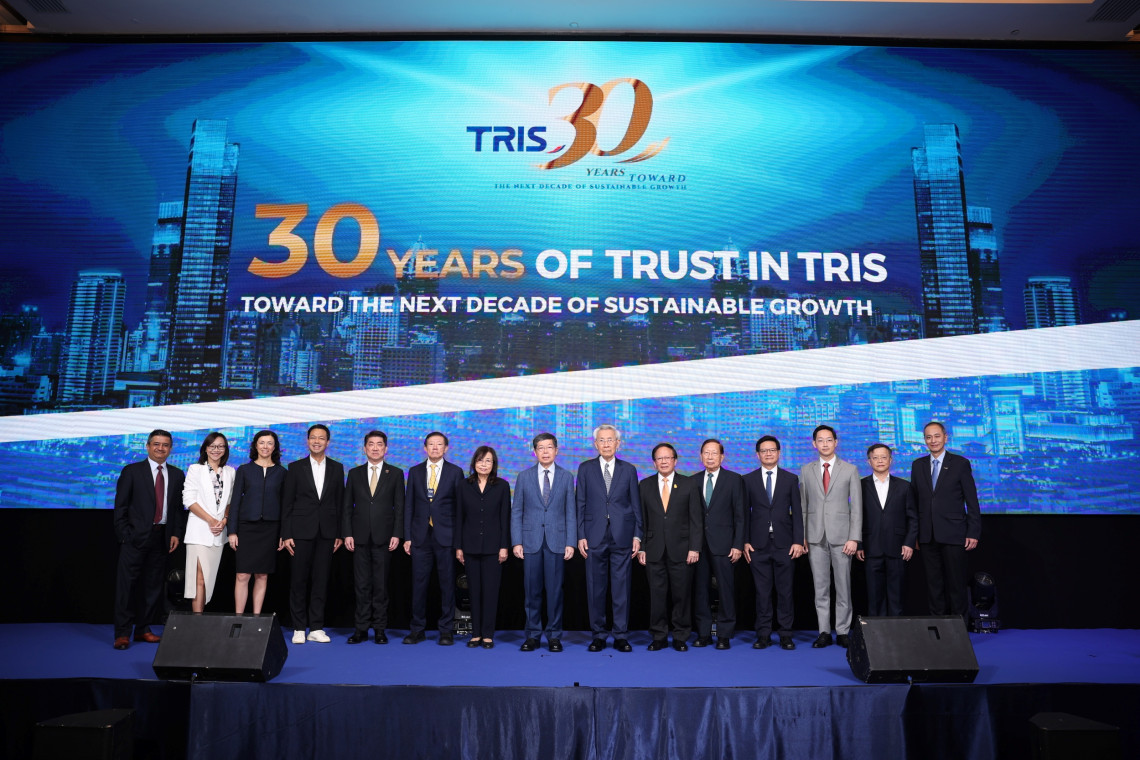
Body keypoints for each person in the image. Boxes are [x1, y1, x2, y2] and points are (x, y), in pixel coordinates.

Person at [112, 430, 186, 650]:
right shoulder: (132, 471)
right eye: (156, 444)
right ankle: (122, 633)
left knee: (153, 587)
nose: (160, 448)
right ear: (147, 446)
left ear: (170, 449)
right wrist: (125, 535)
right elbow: (120, 507)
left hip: (162, 538)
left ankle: (143, 629)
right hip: (134, 538)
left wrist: (175, 533)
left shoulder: (177, 474)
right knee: (127, 587)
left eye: (165, 445)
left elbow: (177, 509)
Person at [576, 424, 642, 653]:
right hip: (593, 536)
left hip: (622, 535)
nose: (606, 444)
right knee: (595, 589)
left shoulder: (629, 469)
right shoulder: (585, 468)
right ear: (595, 444)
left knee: (621, 589)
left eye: (610, 440)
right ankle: (599, 635)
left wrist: (637, 534)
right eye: (601, 440)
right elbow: (580, 503)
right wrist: (581, 535)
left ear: (618, 443)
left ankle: (621, 635)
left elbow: (636, 504)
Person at [511, 432, 576, 653]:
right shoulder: (524, 476)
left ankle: (554, 636)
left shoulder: (566, 476)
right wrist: (516, 541)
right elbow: (517, 511)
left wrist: (571, 542)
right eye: (541, 448)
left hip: (557, 541)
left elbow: (570, 512)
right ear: (535, 451)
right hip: (530, 542)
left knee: (555, 592)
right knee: (532, 592)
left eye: (549, 447)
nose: (545, 451)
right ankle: (532, 635)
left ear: (556, 451)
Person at [281, 424, 345, 644]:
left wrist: (339, 533)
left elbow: (340, 502)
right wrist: (286, 533)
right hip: (300, 531)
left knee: (321, 580)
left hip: (327, 533)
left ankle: (316, 627)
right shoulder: (295, 467)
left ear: (328, 442)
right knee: (298, 580)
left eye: (321, 438)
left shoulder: (337, 468)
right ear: (307, 441)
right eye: (313, 438)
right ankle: (299, 627)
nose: (317, 441)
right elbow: (287, 503)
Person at [800, 424, 862, 648]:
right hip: (815, 536)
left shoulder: (850, 469)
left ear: (836, 442)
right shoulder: (806, 470)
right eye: (820, 440)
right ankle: (824, 631)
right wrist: (802, 536)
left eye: (829, 440)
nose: (825, 444)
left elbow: (857, 507)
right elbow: (803, 506)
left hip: (843, 538)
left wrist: (854, 538)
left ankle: (843, 631)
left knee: (843, 587)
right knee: (820, 587)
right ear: (814, 443)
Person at [910, 422, 981, 617]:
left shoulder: (960, 463)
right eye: (928, 437)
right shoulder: (917, 465)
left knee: (956, 584)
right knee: (934, 585)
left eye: (937, 436)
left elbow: (972, 501)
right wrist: (914, 535)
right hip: (927, 535)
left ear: (945, 437)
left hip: (954, 533)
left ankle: (959, 628)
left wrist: (973, 531)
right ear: (924, 440)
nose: (933, 440)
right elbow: (914, 503)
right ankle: (938, 626)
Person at [637, 443, 702, 651]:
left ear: (675, 461)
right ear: (654, 462)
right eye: (659, 458)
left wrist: (694, 547)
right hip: (653, 549)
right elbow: (641, 520)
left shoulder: (689, 484)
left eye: (667, 458)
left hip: (682, 549)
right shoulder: (644, 485)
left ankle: (681, 636)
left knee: (681, 595)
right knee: (657, 596)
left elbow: (696, 519)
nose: (664, 461)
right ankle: (659, 636)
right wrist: (642, 547)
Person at [342, 430, 405, 645]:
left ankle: (379, 629)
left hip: (385, 538)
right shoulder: (354, 473)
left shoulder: (395, 473)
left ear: (386, 448)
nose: (375, 448)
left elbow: (400, 507)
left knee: (381, 586)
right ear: (365, 448)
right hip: (359, 538)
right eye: (371, 444)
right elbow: (347, 507)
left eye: (379, 444)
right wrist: (347, 533)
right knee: (361, 586)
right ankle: (360, 629)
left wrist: (397, 533)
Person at [742, 435, 804, 650]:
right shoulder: (748, 480)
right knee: (762, 592)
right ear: (757, 455)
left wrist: (798, 540)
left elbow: (798, 512)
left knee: (785, 592)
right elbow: (744, 514)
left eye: (772, 450)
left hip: (785, 544)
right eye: (764, 451)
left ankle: (785, 634)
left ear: (779, 453)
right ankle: (763, 634)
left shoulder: (790, 479)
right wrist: (745, 541)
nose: (768, 454)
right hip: (757, 544)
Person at [403, 431, 464, 646]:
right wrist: (407, 536)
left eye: (439, 444)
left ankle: (446, 630)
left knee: (447, 585)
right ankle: (417, 629)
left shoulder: (455, 472)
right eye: (431, 444)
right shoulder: (415, 471)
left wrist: (459, 541)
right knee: (419, 585)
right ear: (425, 448)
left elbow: (460, 508)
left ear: (446, 448)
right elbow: (409, 505)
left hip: (446, 537)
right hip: (420, 537)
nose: (435, 448)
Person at [455, 446, 511, 648]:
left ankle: (488, 634)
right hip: (469, 546)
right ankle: (475, 634)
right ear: (474, 463)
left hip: (494, 547)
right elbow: (459, 517)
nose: (484, 464)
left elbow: (505, 518)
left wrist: (504, 546)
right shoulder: (464, 485)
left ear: (493, 464)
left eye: (488, 461)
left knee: (490, 592)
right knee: (474, 592)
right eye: (480, 460)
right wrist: (458, 547)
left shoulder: (502, 486)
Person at [692, 438, 745, 650]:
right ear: (701, 456)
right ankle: (703, 633)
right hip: (699, 546)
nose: (710, 457)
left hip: (725, 544)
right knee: (700, 591)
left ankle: (724, 634)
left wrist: (738, 544)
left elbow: (740, 516)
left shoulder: (734, 480)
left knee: (726, 590)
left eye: (714, 453)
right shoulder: (693, 481)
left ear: (722, 457)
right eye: (706, 453)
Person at [228, 430, 285, 615]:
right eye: (262, 442)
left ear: (274, 447)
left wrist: (283, 533)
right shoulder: (244, 470)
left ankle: (256, 617)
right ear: (255, 445)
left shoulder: (282, 472)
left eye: (269, 443)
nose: (265, 447)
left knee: (262, 575)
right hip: (246, 528)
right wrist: (232, 531)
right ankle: (239, 617)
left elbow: (285, 506)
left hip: (270, 529)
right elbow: (235, 502)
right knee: (242, 574)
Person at [858, 444, 918, 617]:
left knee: (896, 596)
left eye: (884, 457)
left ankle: (896, 630)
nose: (880, 461)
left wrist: (909, 543)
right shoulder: (860, 486)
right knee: (873, 596)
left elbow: (913, 518)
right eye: (875, 458)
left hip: (898, 547)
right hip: (870, 546)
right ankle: (875, 631)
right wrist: (859, 544)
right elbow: (855, 517)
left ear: (890, 460)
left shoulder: (904, 486)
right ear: (869, 461)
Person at [182, 432, 235, 613]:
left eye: (220, 446)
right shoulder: (195, 469)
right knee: (199, 578)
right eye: (212, 446)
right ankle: (197, 619)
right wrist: (211, 520)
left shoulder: (230, 472)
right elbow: (189, 500)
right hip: (199, 531)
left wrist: (224, 520)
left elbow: (230, 501)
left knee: (209, 579)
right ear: (205, 448)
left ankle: (202, 616)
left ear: (225, 449)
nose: (216, 450)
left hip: (219, 533)